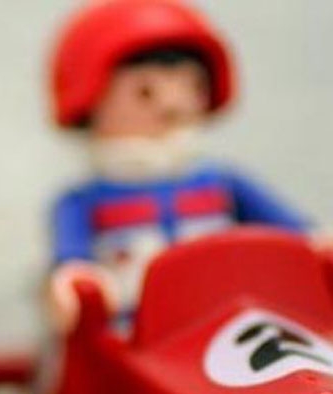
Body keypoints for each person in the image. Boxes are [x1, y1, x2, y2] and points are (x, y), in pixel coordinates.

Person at [46, 0, 310, 332]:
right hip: (135, 335)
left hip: (226, 324)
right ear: (90, 99)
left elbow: (296, 233)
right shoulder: (82, 201)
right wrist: (76, 283)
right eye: (145, 92)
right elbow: (72, 260)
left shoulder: (222, 182)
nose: (173, 106)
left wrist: (316, 247)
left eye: (191, 86)